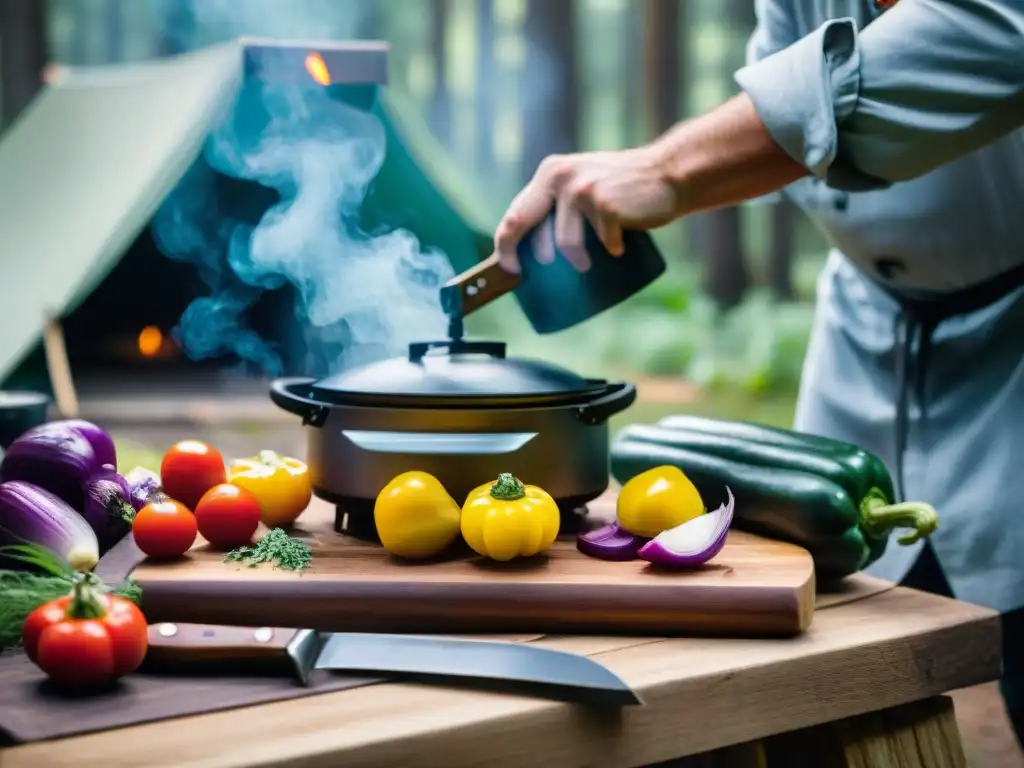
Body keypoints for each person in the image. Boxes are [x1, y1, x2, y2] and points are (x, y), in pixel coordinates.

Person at [494, 0, 1024, 745]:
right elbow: (785, 117)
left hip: (1013, 345)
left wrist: (665, 168)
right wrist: (671, 172)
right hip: (866, 338)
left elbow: (994, 36)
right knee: (842, 683)